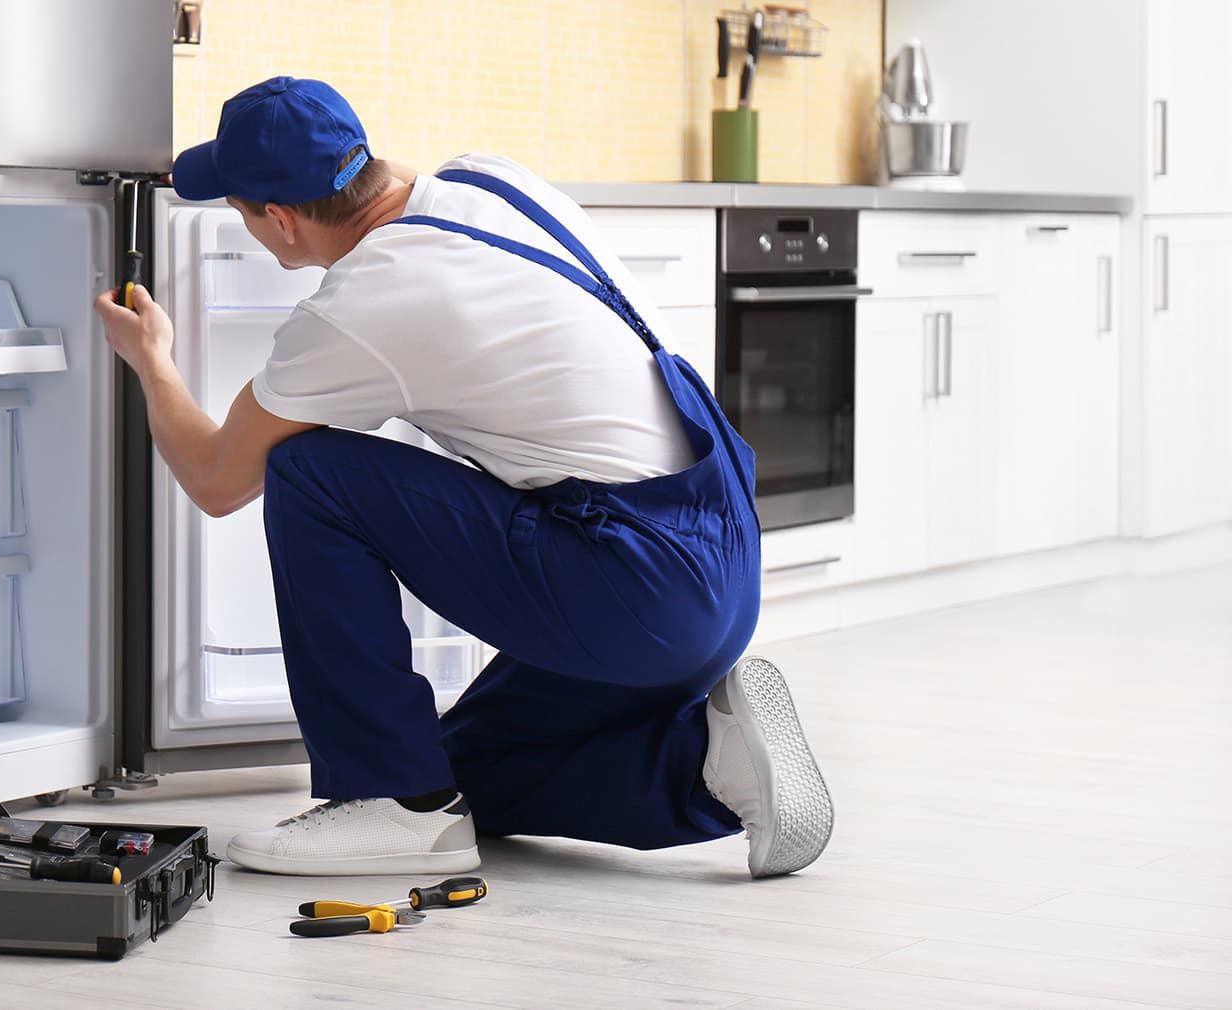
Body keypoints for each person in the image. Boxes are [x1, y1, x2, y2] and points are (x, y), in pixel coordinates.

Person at [93, 77, 833, 878]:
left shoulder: (364, 303)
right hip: (717, 557)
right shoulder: (491, 180)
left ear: (280, 219)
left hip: (634, 586)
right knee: (462, 776)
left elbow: (216, 479)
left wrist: (153, 361)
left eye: (243, 210)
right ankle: (710, 768)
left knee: (309, 471)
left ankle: (390, 800)